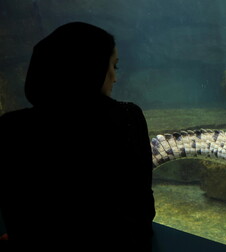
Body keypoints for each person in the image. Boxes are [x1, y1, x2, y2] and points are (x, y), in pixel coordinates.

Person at [0, 22, 155, 251]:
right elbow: (142, 208)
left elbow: (16, 208)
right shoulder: (127, 117)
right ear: (92, 67)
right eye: (113, 66)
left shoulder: (9, 126)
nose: (115, 77)